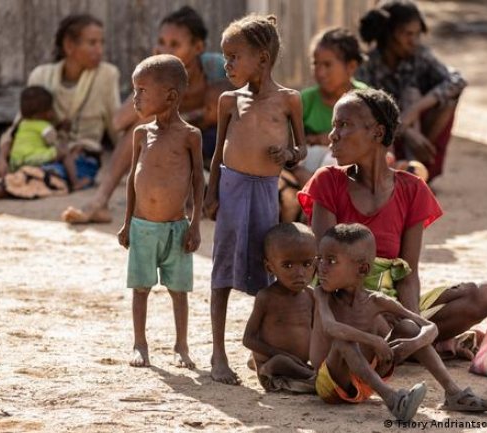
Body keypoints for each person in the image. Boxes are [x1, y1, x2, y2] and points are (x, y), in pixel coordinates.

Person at [299, 88, 487, 358]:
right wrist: (377, 311)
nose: (333, 135)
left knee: (482, 295)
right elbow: (328, 267)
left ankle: (405, 345)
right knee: (377, 325)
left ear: (377, 133)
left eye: (343, 125)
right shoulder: (327, 181)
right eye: (334, 125)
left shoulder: (411, 188)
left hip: (392, 307)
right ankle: (411, 346)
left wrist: (413, 325)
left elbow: (407, 273)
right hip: (343, 305)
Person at [204, 14, 306, 385]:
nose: (227, 65)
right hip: (232, 189)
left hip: (265, 191)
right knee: (222, 269)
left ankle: (261, 352)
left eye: (234, 57)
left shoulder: (288, 100)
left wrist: (289, 155)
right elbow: (217, 154)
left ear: (262, 59)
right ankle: (218, 352)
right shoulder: (229, 101)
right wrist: (211, 191)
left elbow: (302, 149)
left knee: (266, 267)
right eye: (225, 57)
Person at [62, 6, 227, 224]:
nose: (164, 49)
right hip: (176, 148)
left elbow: (237, 107)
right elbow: (119, 120)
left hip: (215, 150)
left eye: (174, 45)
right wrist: (155, 82)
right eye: (161, 42)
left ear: (198, 47)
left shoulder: (217, 67)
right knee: (146, 122)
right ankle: (100, 202)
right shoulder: (157, 72)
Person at [311, 224, 487, 419]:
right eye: (320, 259)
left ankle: (453, 393)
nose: (321, 267)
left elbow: (429, 327)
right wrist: (373, 341)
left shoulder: (376, 300)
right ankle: (392, 399)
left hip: (367, 378)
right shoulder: (322, 295)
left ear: (363, 269)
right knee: (343, 342)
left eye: (331, 261)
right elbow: (331, 328)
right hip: (331, 382)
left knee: (408, 327)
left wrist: (413, 344)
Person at [0, 14, 120, 208]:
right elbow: (19, 126)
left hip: (79, 160)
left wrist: (131, 163)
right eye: (92, 43)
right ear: (69, 46)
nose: (99, 50)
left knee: (30, 178)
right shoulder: (41, 75)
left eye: (101, 43)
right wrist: (2, 158)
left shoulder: (106, 75)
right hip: (34, 152)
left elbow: (116, 125)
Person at [116, 54, 204, 369]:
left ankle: (181, 346)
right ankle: (140, 344)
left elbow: (197, 181)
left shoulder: (190, 135)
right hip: (142, 227)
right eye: (134, 91)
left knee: (178, 291)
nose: (135, 98)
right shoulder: (141, 134)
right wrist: (126, 223)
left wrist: (195, 225)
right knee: (140, 289)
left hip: (176, 229)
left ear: (170, 96)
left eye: (141, 91)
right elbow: (131, 181)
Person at [357, 0, 466, 182]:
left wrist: (414, 110)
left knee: (421, 95)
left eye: (417, 34)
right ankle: (398, 169)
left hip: (422, 140)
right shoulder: (367, 65)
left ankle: (416, 168)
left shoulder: (419, 56)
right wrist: (405, 129)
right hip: (387, 141)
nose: (413, 41)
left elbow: (457, 80)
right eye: (407, 34)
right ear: (388, 34)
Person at [279, 28, 369, 223]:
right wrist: (298, 171)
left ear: (351, 66)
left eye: (328, 65)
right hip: (304, 171)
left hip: (351, 174)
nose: (320, 72)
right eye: (315, 64)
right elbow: (287, 142)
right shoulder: (305, 99)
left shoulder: (366, 100)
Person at [242, 222, 316, 393]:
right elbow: (248, 339)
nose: (299, 273)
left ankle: (310, 374)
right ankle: (313, 377)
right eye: (288, 265)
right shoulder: (267, 298)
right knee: (282, 362)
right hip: (274, 365)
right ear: (270, 267)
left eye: (307, 264)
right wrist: (279, 353)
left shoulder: (311, 296)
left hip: (302, 362)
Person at [10, 86, 90, 191]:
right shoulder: (45, 127)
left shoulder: (22, 124)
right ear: (46, 112)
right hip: (33, 157)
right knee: (64, 152)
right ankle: (75, 182)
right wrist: (64, 132)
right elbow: (55, 143)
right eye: (51, 109)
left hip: (16, 160)